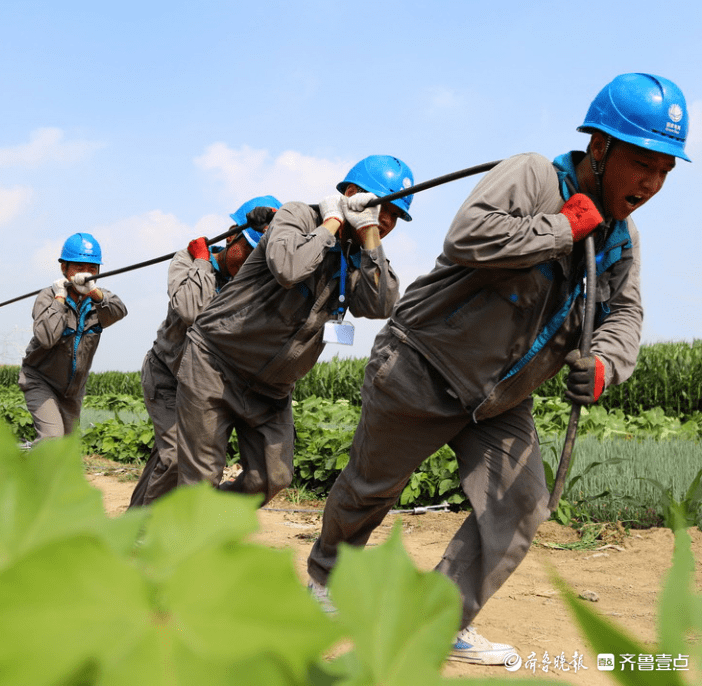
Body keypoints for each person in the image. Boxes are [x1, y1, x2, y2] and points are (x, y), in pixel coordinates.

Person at [306, 73, 690, 665]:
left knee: (520, 506)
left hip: (501, 400)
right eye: (643, 161)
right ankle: (325, 581)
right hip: (424, 366)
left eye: (666, 169)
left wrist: (608, 365)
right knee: (370, 488)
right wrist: (563, 227)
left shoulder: (622, 240)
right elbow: (467, 237)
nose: (652, 182)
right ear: (600, 148)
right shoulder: (533, 175)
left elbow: (625, 315)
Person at [174, 155, 413, 505]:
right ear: (351, 193)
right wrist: (331, 223)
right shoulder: (297, 215)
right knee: (200, 481)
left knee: (273, 477)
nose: (388, 220)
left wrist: (371, 238)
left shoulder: (361, 252)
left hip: (272, 388)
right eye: (383, 208)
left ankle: (205, 526)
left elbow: (379, 306)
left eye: (395, 215)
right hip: (216, 365)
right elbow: (289, 268)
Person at [130, 196, 283, 508]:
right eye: (250, 250)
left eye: (261, 256)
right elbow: (189, 308)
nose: (252, 261)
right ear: (230, 237)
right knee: (175, 459)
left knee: (170, 459)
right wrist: (201, 262)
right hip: (168, 377)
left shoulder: (255, 281)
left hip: (205, 384)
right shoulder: (187, 259)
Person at [18, 232, 127, 442]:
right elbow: (47, 337)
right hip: (41, 381)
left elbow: (119, 311)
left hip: (72, 390)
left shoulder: (99, 299)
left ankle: (29, 463)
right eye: (79, 267)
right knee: (52, 440)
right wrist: (60, 298)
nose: (85, 274)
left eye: (92, 269)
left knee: (65, 451)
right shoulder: (48, 297)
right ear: (64, 268)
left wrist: (94, 293)